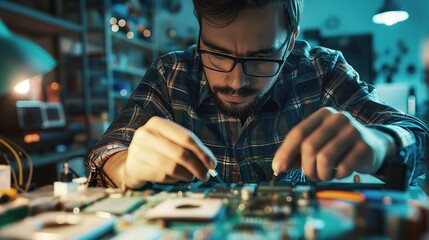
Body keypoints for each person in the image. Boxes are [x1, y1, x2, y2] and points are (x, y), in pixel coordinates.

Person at [87, 0, 429, 189]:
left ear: (291, 41)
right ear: (200, 32)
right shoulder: (170, 74)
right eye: (218, 54)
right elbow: (108, 151)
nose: (236, 82)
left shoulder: (322, 71)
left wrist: (382, 144)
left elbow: (418, 139)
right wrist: (125, 166)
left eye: (262, 57)